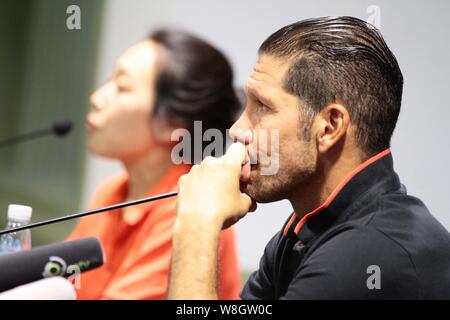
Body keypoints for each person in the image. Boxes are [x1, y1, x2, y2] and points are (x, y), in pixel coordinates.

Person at [169, 16, 450, 299]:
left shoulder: (366, 254)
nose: (237, 130)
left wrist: (197, 226)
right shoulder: (302, 234)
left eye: (263, 106)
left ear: (329, 126)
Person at [68, 29, 242, 300]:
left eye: (122, 87)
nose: (97, 98)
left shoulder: (189, 208)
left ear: (171, 122)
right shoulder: (112, 191)